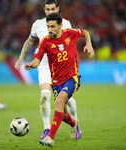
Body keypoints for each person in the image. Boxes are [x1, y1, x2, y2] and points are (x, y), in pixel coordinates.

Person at [24, 13, 95, 147]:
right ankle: (74, 124)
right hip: (56, 82)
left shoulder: (70, 34)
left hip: (72, 77)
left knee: (59, 101)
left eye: (52, 27)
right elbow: (37, 60)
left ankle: (50, 137)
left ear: (60, 25)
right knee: (62, 115)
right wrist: (31, 65)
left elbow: (85, 32)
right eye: (48, 26)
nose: (49, 29)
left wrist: (89, 45)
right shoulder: (45, 41)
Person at [15, 0, 81, 139]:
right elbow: (29, 41)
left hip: (61, 66)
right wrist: (21, 58)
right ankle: (47, 129)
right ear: (44, 10)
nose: (50, 12)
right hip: (44, 66)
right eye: (47, 9)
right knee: (45, 95)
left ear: (57, 8)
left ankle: (75, 122)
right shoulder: (38, 24)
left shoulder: (65, 23)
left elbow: (70, 44)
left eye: (53, 9)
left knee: (66, 100)